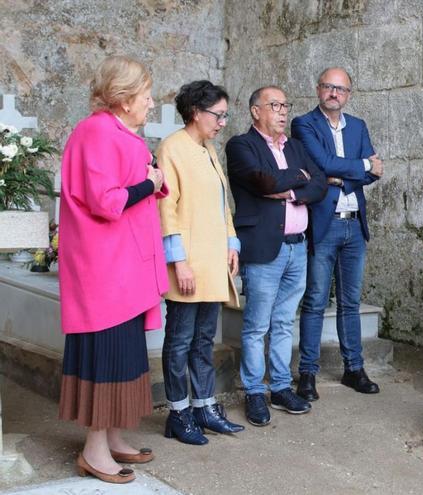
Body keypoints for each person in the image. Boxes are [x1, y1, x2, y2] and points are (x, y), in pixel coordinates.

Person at [58, 55, 167, 484]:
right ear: (124, 99)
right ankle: (93, 450)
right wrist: (149, 183)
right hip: (104, 270)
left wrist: (151, 180)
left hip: (123, 267)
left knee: (124, 355)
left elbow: (135, 185)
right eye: (146, 95)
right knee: (105, 357)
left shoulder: (118, 132)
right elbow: (107, 200)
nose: (151, 103)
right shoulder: (97, 131)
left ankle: (113, 437)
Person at [226, 86, 327, 426]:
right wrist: (297, 179)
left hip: (297, 247)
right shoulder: (241, 145)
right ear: (256, 111)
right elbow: (263, 181)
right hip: (264, 247)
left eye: (285, 105)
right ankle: (255, 391)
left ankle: (281, 387)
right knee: (257, 326)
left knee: (284, 322)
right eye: (275, 105)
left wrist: (290, 190)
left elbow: (320, 183)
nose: (283, 112)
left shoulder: (295, 146)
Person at [156, 80, 244, 445]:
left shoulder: (208, 149)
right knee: (179, 341)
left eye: (225, 116)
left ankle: (204, 406)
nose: (222, 123)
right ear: (196, 112)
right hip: (189, 264)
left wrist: (231, 244)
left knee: (204, 340)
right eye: (218, 115)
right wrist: (179, 262)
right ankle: (178, 412)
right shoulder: (172, 148)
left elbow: (223, 205)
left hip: (212, 261)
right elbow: (166, 209)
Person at [291, 67, 383, 399]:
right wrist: (361, 166)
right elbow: (324, 163)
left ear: (348, 94)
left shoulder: (358, 126)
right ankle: (307, 374)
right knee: (315, 300)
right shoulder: (304, 124)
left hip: (354, 224)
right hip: (324, 223)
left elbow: (374, 173)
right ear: (318, 90)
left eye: (341, 89)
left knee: (350, 301)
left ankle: (353, 369)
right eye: (329, 87)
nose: (334, 93)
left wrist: (341, 175)